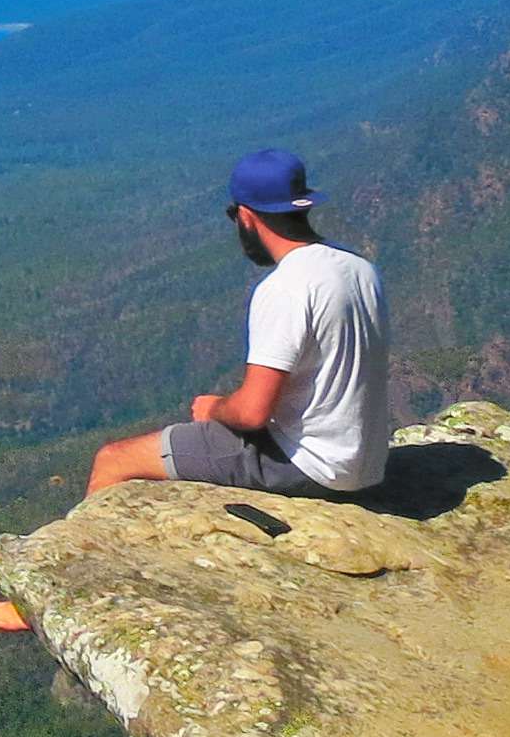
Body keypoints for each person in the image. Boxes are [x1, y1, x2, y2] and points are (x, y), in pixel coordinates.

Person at [85, 148, 391, 499]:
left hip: (307, 464)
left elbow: (252, 413)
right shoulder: (361, 269)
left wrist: (212, 409)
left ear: (246, 216)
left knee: (112, 460)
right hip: (364, 463)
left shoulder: (286, 287)